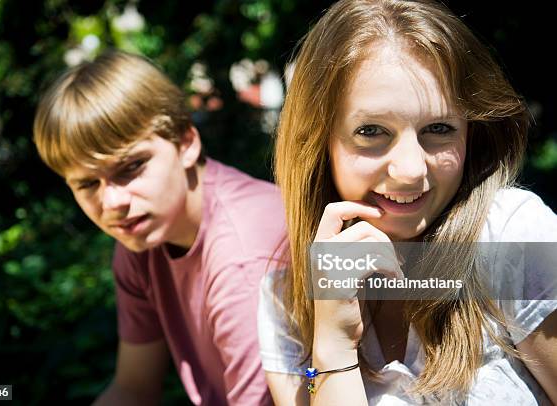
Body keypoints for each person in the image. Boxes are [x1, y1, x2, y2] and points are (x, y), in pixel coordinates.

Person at [257, 0, 557, 405]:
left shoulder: (514, 237)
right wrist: (332, 349)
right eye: (371, 131)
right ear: (317, 141)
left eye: (439, 128)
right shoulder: (288, 297)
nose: (412, 170)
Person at [33, 50, 286, 405]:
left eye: (131, 167)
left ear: (185, 143)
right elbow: (133, 390)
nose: (112, 203)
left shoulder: (243, 262)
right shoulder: (143, 238)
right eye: (88, 184)